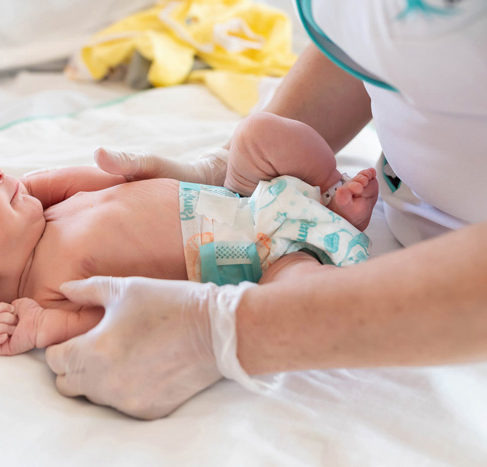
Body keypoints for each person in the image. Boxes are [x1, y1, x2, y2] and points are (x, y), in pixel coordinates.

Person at [44, 1, 487, 420]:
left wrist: (231, 329)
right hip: (266, 208)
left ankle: (327, 223)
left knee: (293, 271)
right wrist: (223, 169)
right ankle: (330, 206)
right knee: (259, 134)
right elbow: (376, 33)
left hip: (452, 286)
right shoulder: (37, 266)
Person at [0, 112, 377, 356]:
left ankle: (328, 194)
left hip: (244, 196)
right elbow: (108, 315)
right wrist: (43, 329)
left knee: (258, 134)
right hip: (258, 259)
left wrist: (57, 182)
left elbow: (117, 183)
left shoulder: (53, 209)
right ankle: (333, 237)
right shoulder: (48, 290)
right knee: (291, 304)